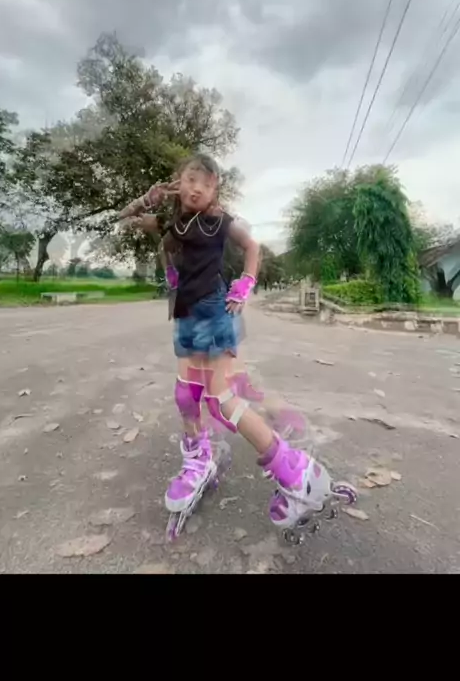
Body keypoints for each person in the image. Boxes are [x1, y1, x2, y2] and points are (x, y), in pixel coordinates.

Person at [118, 153, 333, 530]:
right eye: (190, 180)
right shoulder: (171, 223)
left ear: (215, 190)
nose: (197, 188)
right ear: (178, 182)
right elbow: (125, 220)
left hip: (216, 314)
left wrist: (246, 283)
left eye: (206, 183)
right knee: (185, 396)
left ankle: (296, 472)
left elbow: (252, 247)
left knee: (222, 402)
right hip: (186, 315)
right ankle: (199, 460)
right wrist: (146, 199)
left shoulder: (219, 221)